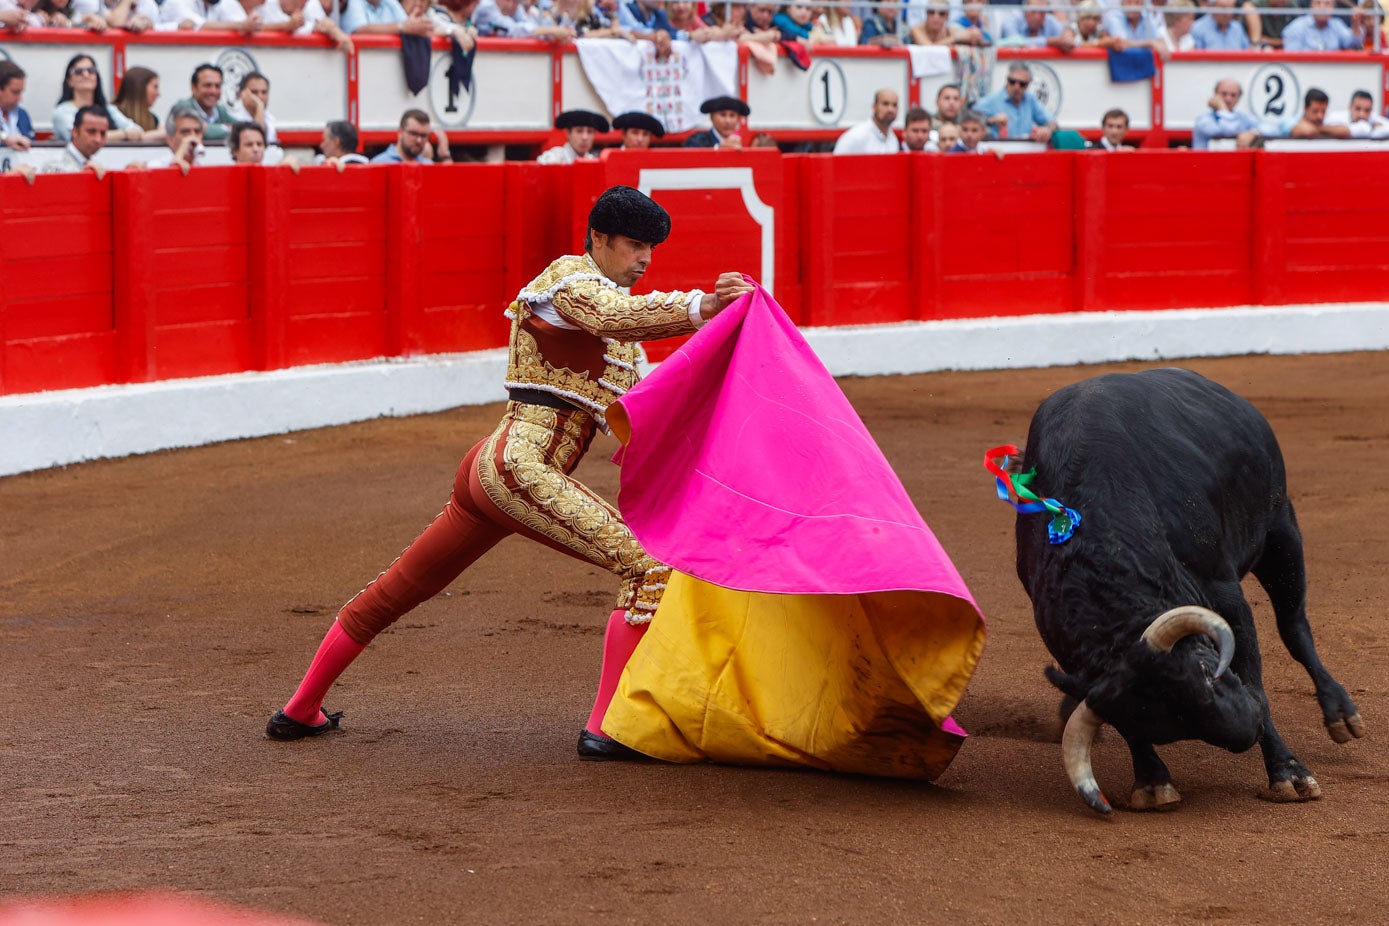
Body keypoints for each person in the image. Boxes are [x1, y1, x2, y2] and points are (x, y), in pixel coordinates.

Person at [264, 185, 756, 757]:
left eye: (653, 247)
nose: (645, 258)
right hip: (521, 470)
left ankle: (300, 710)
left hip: (497, 472)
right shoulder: (566, 284)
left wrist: (724, 348)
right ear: (599, 238)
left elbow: (647, 408)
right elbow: (617, 314)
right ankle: (606, 730)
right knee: (648, 568)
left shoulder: (623, 352)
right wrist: (702, 307)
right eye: (635, 245)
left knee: (399, 589)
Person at [51, 53, 144, 142]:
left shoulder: (108, 109)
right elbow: (78, 137)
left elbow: (137, 130)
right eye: (78, 71)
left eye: (91, 71)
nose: (86, 75)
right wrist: (125, 134)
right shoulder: (62, 111)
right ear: (69, 81)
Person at [973, 61, 1056, 143]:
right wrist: (991, 120)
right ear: (1006, 79)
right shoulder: (991, 100)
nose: (1016, 87)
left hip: (1025, 151)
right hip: (999, 151)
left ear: (1029, 84)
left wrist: (1047, 130)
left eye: (1022, 84)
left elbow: (1052, 122)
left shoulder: (1030, 100)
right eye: (1012, 82)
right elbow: (969, 121)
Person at [1192, 77, 1261, 149]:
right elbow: (1228, 130)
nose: (1228, 99)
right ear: (1215, 95)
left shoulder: (1243, 117)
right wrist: (1222, 108)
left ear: (1239, 98)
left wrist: (1253, 133)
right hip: (1206, 159)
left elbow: (1268, 129)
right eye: (1224, 94)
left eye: (1233, 95)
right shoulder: (1204, 119)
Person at [173, 64, 236, 142]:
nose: (213, 91)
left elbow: (243, 129)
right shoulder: (183, 107)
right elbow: (200, 130)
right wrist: (226, 128)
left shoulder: (220, 110)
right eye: (207, 85)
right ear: (194, 87)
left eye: (217, 86)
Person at [832, 88, 901, 154]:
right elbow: (837, 163)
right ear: (874, 106)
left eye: (894, 105)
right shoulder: (855, 136)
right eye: (885, 104)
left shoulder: (893, 139)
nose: (890, 109)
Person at [371, 109, 453, 163]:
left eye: (424, 135)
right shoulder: (379, 163)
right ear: (400, 132)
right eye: (413, 134)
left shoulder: (428, 166)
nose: (419, 140)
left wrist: (445, 156)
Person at [1281, 0, 1365, 49]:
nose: (1322, 7)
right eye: (1318, 3)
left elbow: (1354, 42)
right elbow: (1291, 58)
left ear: (1333, 8)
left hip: (1333, 73)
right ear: (1311, 7)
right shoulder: (1296, 27)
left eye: (1327, 3)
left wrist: (1356, 24)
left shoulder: (1337, 25)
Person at [999, 0, 1076, 50]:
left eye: (1042, 12)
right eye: (1033, 11)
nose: (1037, 17)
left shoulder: (1050, 21)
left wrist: (1068, 38)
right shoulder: (1011, 20)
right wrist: (1047, 42)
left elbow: (1065, 39)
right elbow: (1013, 42)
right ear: (1025, 10)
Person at [538, 109, 609, 163]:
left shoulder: (593, 161)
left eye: (590, 132)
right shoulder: (553, 159)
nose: (585, 137)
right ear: (568, 133)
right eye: (579, 131)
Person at [228, 71, 277, 145]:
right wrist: (259, 107)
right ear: (241, 94)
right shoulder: (234, 118)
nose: (260, 97)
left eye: (264, 92)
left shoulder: (270, 119)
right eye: (254, 92)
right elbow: (258, 139)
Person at [684, 96, 748, 148]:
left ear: (738, 119)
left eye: (732, 115)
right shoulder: (697, 140)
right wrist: (718, 149)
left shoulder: (739, 142)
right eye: (723, 115)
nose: (728, 121)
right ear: (711, 117)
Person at [112, 66, 161, 134]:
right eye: (155, 87)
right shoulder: (113, 114)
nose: (158, 94)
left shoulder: (153, 119)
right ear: (140, 88)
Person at [0, 61, 33, 152]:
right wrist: (5, 138)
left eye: (21, 92)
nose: (19, 98)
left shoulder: (22, 115)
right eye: (15, 92)